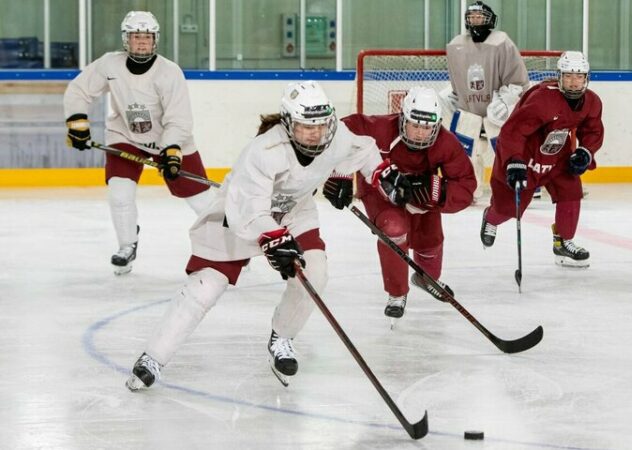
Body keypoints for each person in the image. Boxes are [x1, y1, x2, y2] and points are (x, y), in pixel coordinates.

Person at [125, 80, 412, 390]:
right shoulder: (265, 151)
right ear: (288, 124)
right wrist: (274, 238)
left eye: (321, 124)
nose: (316, 133)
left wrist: (377, 173)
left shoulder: (334, 135)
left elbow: (362, 149)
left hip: (294, 211)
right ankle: (153, 357)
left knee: (315, 274)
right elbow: (250, 210)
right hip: (240, 214)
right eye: (306, 126)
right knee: (206, 288)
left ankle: (282, 337)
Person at [63, 11, 214, 275]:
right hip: (126, 137)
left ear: (155, 40)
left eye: (146, 37)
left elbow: (179, 119)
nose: (141, 42)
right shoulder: (110, 65)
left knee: (201, 201)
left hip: (169, 141)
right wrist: (77, 124)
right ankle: (127, 245)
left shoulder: (169, 72)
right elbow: (79, 90)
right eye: (136, 37)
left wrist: (171, 151)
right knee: (119, 193)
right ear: (126, 40)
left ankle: (228, 245)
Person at [342, 87, 476, 321]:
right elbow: (340, 130)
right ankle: (397, 292)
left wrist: (440, 192)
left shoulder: (445, 142)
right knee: (394, 229)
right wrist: (339, 175)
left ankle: (426, 278)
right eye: (415, 125)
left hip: (419, 198)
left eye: (427, 127)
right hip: (380, 191)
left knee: (430, 240)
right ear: (402, 118)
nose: (421, 134)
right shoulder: (381, 128)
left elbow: (466, 184)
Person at [480, 51, 604, 268]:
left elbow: (593, 130)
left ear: (587, 78)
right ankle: (491, 218)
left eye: (579, 77)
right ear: (559, 76)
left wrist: (585, 151)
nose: (574, 82)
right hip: (528, 157)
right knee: (510, 208)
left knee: (571, 192)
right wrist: (514, 160)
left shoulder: (591, 101)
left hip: (559, 157)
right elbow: (513, 131)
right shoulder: (542, 99)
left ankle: (563, 242)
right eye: (568, 76)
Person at [443, 1, 530, 203]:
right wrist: (453, 96)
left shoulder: (503, 43)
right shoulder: (457, 44)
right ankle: (468, 190)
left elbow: (518, 82)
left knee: (509, 148)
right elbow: (457, 82)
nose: (475, 21)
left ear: (490, 20)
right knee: (465, 151)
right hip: (469, 111)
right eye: (471, 17)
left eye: (479, 17)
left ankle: (526, 184)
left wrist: (506, 101)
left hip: (497, 111)